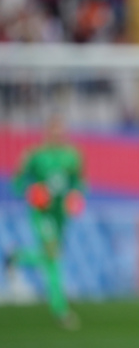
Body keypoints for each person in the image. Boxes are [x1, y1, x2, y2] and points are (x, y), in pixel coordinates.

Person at [9, 116, 85, 329]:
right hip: (42, 214)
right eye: (54, 131)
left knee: (52, 257)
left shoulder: (72, 157)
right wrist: (32, 192)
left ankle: (17, 257)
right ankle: (60, 310)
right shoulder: (36, 156)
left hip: (60, 216)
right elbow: (17, 183)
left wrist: (75, 198)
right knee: (53, 259)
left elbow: (78, 184)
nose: (58, 136)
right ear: (47, 133)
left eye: (61, 131)